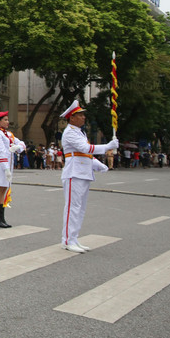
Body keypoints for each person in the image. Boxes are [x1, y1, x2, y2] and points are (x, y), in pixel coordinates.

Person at [59, 101, 118, 253]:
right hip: (73, 173)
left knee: (80, 209)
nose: (84, 117)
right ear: (72, 118)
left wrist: (98, 165)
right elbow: (86, 148)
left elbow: (84, 154)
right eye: (80, 115)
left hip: (83, 173)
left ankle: (74, 238)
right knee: (73, 208)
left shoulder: (80, 132)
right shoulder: (70, 132)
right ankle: (67, 240)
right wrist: (107, 147)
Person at [0, 111, 24, 228]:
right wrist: (6, 169)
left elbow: (21, 144)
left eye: (7, 119)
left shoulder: (8, 134)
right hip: (0, 164)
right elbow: (1, 151)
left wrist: (18, 147)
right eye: (5, 120)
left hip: (8, 164)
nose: (7, 122)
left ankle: (0, 217)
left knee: (4, 189)